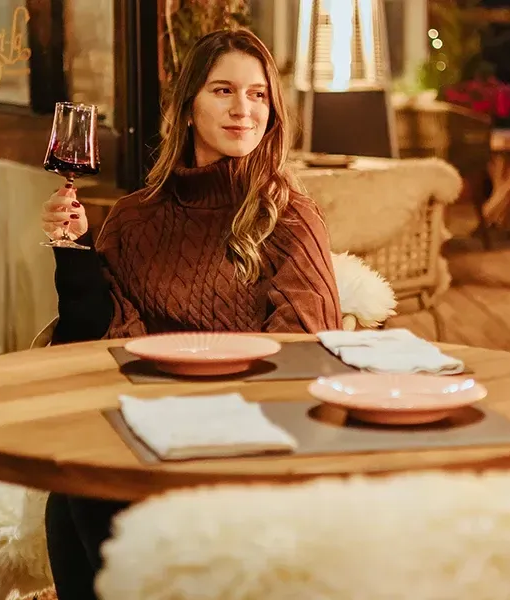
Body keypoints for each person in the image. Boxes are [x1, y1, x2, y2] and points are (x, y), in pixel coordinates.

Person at [41, 28, 342, 599]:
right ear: (186, 108)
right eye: (224, 90)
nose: (243, 109)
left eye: (258, 96)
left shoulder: (289, 217)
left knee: (89, 499)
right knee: (73, 491)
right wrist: (72, 249)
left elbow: (306, 352)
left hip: (252, 434)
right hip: (149, 427)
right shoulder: (133, 220)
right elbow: (96, 340)